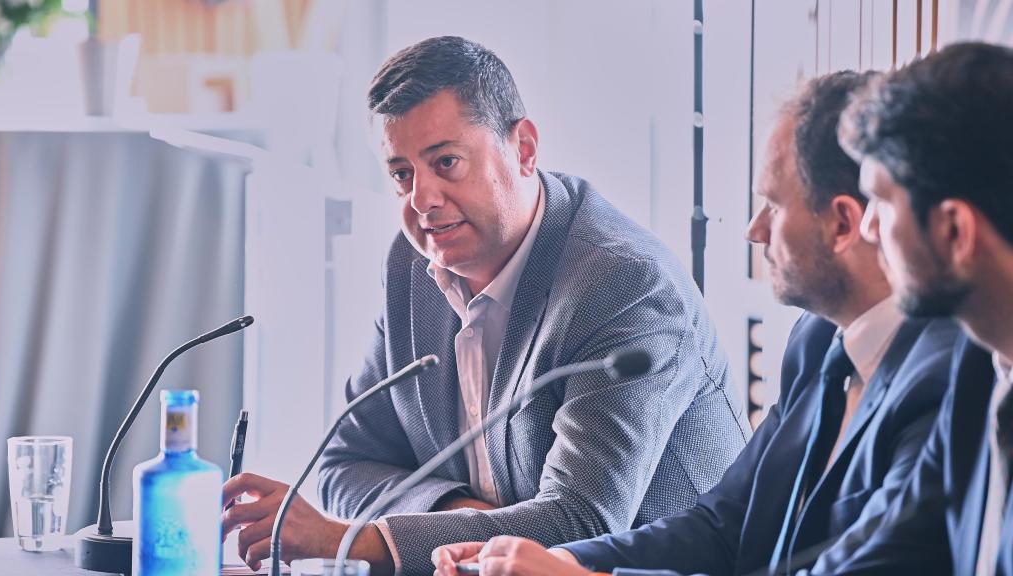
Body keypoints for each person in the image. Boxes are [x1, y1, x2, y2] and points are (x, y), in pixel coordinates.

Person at [221, 35, 750, 576]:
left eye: (446, 162)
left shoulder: (623, 284)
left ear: (523, 149)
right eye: (402, 175)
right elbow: (346, 463)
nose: (421, 200)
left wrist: (353, 540)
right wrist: (459, 513)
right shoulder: (411, 265)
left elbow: (580, 524)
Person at [433, 70, 965, 576]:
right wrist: (562, 561)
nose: (754, 231)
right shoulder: (819, 339)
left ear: (845, 223)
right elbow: (724, 524)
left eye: (773, 206)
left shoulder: (947, 381)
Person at [826, 41, 1013, 575]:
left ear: (954, 230)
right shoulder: (979, 366)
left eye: (882, 202)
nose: (867, 229)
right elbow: (873, 562)